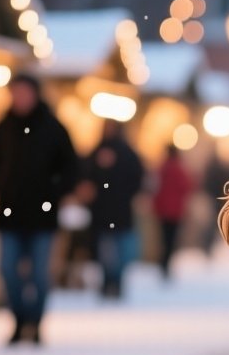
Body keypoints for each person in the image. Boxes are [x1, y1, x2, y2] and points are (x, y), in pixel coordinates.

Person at [0, 74, 80, 345]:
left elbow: (71, 167)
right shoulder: (4, 127)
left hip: (42, 215)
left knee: (39, 274)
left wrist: (55, 192)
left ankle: (35, 322)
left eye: (24, 93)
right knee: (8, 270)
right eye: (16, 93)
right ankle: (19, 319)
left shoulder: (52, 128)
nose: (20, 98)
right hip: (10, 213)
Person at [81, 122, 146, 299]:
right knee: (106, 251)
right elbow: (86, 175)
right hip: (103, 211)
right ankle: (108, 281)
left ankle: (116, 281)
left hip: (120, 211)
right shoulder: (97, 152)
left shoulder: (127, 154)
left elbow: (137, 178)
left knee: (119, 250)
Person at [152, 145, 195, 280]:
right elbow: (187, 186)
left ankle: (163, 262)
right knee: (171, 239)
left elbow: (154, 188)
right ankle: (166, 263)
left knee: (163, 238)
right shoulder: (180, 169)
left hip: (162, 210)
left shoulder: (161, 168)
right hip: (176, 210)